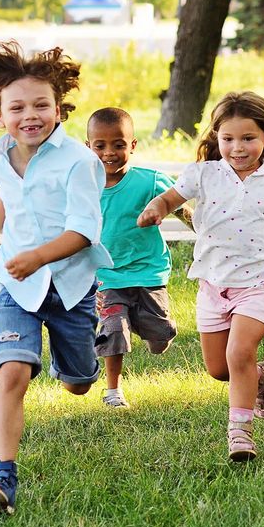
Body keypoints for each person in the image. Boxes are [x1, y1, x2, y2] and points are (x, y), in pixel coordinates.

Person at [0, 41, 111, 514]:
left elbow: (84, 232)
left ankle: (73, 364)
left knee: (80, 382)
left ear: (59, 108)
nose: (31, 115)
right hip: (17, 287)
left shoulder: (80, 162)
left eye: (42, 105)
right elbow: (13, 194)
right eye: (17, 107)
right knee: (11, 374)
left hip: (69, 286)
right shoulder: (0, 155)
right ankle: (2, 474)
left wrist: (37, 257)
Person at [138, 91, 264, 461]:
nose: (238, 147)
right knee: (219, 369)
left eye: (248, 138)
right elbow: (170, 199)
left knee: (238, 352)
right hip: (213, 285)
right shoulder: (204, 174)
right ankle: (260, 374)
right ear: (216, 138)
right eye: (228, 138)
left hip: (259, 284)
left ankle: (240, 435)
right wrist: (156, 208)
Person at [86, 107, 189, 408]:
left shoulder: (149, 180)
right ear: (87, 147)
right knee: (113, 329)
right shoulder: (82, 188)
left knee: (159, 340)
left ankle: (150, 327)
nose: (109, 152)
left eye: (119, 144)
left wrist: (206, 231)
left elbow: (180, 207)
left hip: (147, 273)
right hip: (108, 276)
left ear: (132, 145)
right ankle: (113, 391)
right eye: (100, 145)